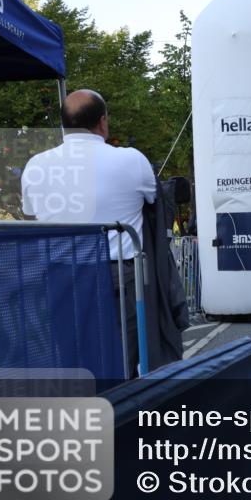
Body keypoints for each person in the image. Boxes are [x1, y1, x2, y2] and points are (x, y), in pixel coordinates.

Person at [21, 89, 156, 376]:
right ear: (103, 121)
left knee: (73, 360)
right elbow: (154, 200)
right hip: (117, 274)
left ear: (63, 125)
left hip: (60, 275)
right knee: (121, 362)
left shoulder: (36, 166)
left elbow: (31, 216)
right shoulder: (132, 160)